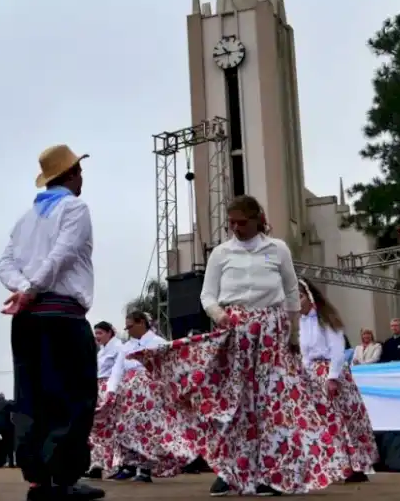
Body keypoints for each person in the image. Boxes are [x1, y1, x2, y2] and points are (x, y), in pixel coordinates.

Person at [131, 194, 352, 496]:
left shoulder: (278, 249)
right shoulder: (222, 253)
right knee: (235, 403)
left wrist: (292, 334)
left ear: (258, 219)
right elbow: (207, 295)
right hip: (235, 331)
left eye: (242, 222)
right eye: (231, 223)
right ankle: (231, 470)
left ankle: (275, 474)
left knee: (273, 403)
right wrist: (219, 316)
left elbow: (290, 292)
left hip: (272, 332)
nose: (235, 228)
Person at [0, 144, 104, 501]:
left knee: (31, 397)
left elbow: (4, 265)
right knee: (72, 394)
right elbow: (64, 253)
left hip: (27, 319)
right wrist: (34, 289)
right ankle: (63, 477)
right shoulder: (75, 208)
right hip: (61, 313)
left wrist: (24, 290)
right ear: (71, 174)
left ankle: (38, 478)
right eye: (79, 171)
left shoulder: (25, 219)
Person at [297, 277, 376, 483]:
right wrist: (304, 376)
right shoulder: (301, 322)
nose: (297, 302)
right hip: (314, 374)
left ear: (310, 297)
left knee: (343, 420)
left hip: (332, 372)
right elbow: (305, 355)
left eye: (300, 297)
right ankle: (336, 465)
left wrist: (332, 377)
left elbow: (338, 351)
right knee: (323, 423)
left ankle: (355, 465)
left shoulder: (326, 320)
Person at [104, 311, 193, 483]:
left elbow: (170, 366)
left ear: (141, 323)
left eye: (130, 326)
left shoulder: (158, 343)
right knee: (125, 428)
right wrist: (111, 390)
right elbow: (117, 369)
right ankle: (128, 466)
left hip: (150, 395)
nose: (128, 331)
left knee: (146, 430)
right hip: (127, 395)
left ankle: (145, 470)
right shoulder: (126, 346)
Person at [85, 321, 122, 479]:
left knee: (112, 427)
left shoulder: (119, 347)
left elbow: (119, 370)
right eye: (96, 333)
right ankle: (97, 464)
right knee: (95, 428)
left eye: (100, 333)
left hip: (110, 388)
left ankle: (114, 466)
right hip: (97, 388)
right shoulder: (100, 351)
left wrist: (112, 391)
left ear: (109, 333)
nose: (97, 336)